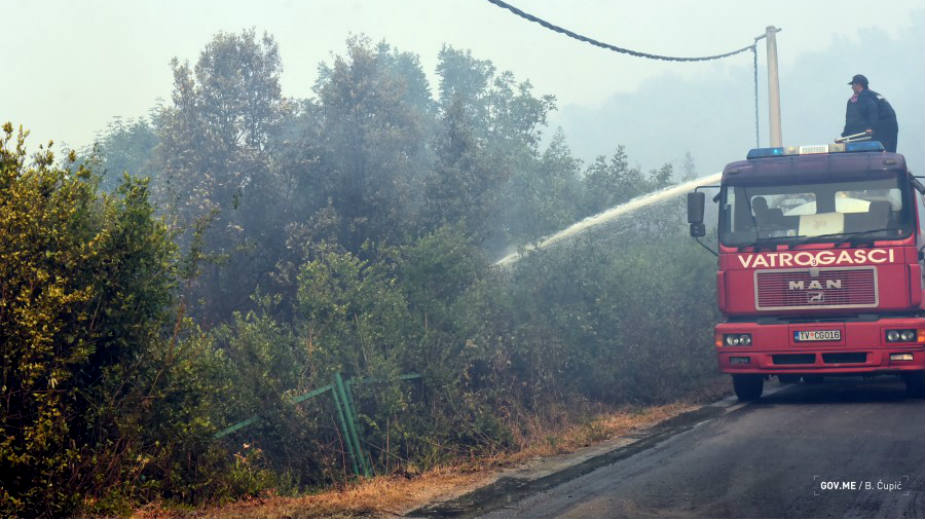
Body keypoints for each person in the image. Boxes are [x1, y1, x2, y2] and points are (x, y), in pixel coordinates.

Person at [842, 74, 898, 152]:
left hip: (883, 126)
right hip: (892, 126)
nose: (852, 88)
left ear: (858, 85)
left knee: (878, 150)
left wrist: (871, 127)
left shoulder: (864, 96)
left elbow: (872, 110)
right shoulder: (873, 94)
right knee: (888, 151)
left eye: (853, 85)